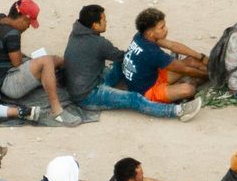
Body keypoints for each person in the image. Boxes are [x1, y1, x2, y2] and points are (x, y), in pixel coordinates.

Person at [62, 6, 194, 120]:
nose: (106, 21)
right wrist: (145, 56)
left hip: (88, 81)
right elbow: (121, 55)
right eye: (103, 20)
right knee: (133, 99)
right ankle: (176, 111)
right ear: (95, 25)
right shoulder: (99, 44)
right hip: (89, 95)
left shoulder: (76, 33)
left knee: (123, 63)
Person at [0, 0, 84, 126]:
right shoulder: (13, 34)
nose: (28, 27)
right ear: (22, 19)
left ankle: (61, 75)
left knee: (55, 59)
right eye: (29, 23)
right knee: (47, 61)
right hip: (8, 84)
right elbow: (17, 64)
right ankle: (57, 111)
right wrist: (37, 66)